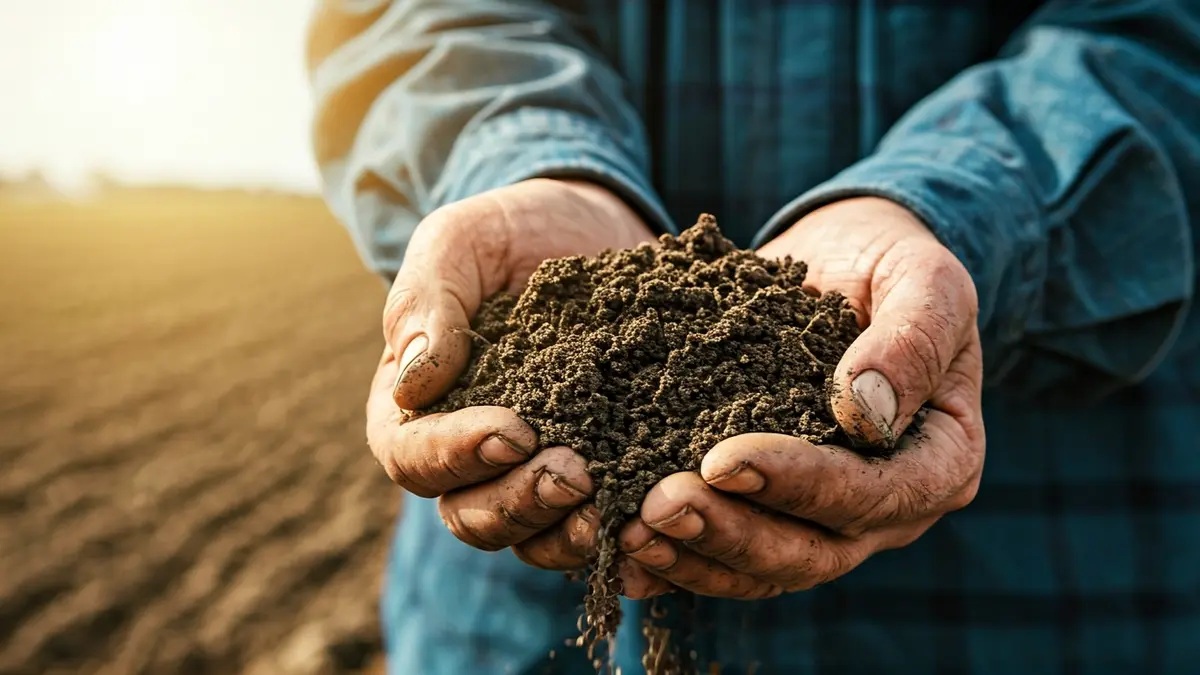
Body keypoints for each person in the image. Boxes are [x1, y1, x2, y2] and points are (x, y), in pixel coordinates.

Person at [306, 1, 1200, 672]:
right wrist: (521, 160)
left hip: (1041, 589)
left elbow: (1165, 34)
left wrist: (971, 212)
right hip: (515, 623)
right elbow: (410, 20)